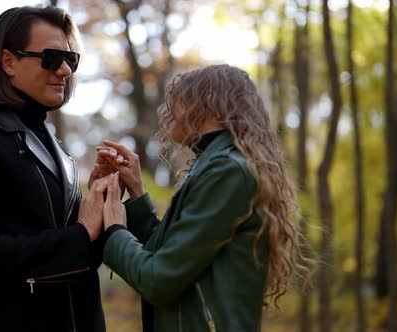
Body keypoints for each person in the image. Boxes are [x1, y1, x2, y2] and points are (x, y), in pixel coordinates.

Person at [92, 64, 313, 332]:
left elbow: (158, 280)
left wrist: (114, 229)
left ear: (211, 103)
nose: (167, 109)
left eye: (181, 97)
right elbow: (170, 258)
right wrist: (137, 192)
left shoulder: (227, 171)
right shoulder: (214, 167)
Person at [0, 6, 107, 331]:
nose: (65, 71)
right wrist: (80, 234)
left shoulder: (56, 146)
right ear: (8, 62)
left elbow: (79, 252)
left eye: (70, 60)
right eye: (51, 58)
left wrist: (105, 206)